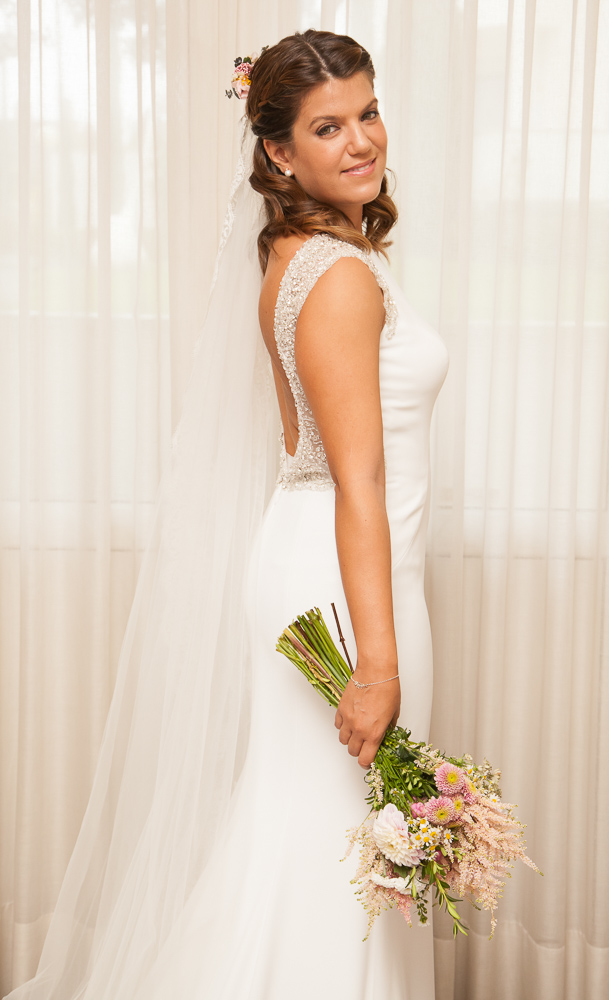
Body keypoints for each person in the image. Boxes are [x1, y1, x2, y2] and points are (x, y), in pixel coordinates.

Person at [3, 28, 448, 1000]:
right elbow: (357, 479)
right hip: (342, 578)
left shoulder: (308, 251)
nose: (361, 140)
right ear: (279, 152)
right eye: (327, 127)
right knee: (336, 847)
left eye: (367, 112)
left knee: (322, 838)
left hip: (325, 562)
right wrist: (376, 663)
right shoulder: (334, 276)